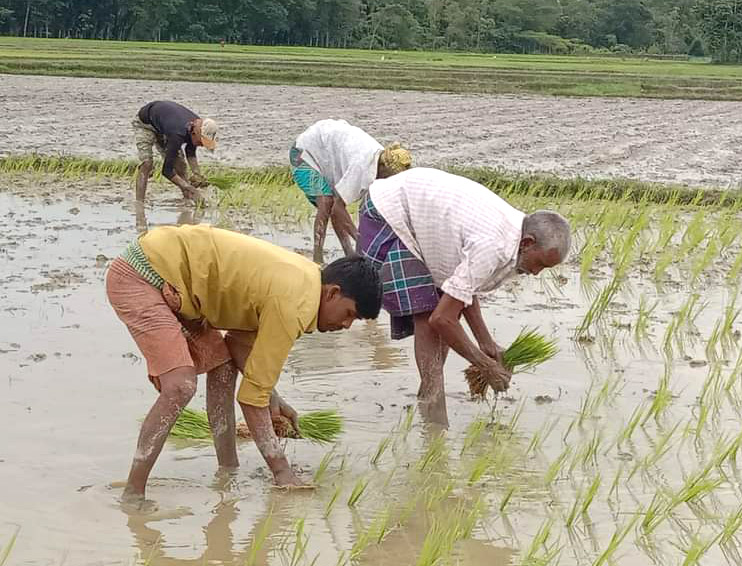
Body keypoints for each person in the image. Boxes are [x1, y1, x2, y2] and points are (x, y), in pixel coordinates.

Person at [105, 224, 382, 501]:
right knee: (180, 385)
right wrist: (282, 471)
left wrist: (274, 397)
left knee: (223, 366)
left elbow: (240, 348)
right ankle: (133, 493)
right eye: (349, 314)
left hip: (182, 289)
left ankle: (227, 469)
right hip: (144, 275)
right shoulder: (294, 304)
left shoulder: (305, 283)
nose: (346, 325)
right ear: (332, 293)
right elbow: (252, 399)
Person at [357, 168, 571, 424]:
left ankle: (430, 399)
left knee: (445, 312)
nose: (536, 273)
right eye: (540, 265)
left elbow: (464, 290)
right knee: (427, 313)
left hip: (420, 214)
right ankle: (434, 414)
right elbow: (441, 319)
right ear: (527, 243)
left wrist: (487, 343)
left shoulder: (511, 235)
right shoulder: (493, 246)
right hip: (389, 213)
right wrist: (486, 365)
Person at [291, 119, 412, 264]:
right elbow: (337, 209)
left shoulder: (381, 159)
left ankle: (349, 255)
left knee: (336, 203)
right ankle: (317, 259)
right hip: (303, 153)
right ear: (383, 167)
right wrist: (360, 239)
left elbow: (339, 210)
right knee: (327, 202)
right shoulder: (361, 167)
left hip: (326, 148)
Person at [133, 100, 218, 204]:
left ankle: (188, 199)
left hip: (164, 125)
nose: (201, 145)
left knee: (181, 165)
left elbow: (190, 151)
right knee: (147, 164)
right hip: (145, 124)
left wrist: (197, 175)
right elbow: (167, 171)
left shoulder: (196, 127)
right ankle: (139, 204)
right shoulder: (178, 134)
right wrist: (190, 187)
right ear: (195, 133)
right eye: (201, 142)